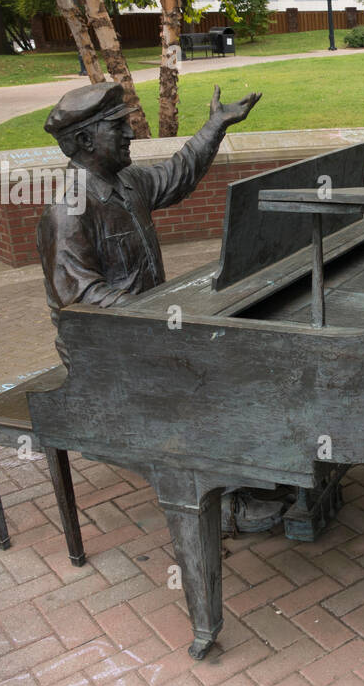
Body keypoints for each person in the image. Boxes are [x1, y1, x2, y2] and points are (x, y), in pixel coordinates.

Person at [37, 80, 287, 533]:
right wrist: (158, 311)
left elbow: (180, 172)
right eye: (120, 127)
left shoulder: (127, 183)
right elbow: (80, 301)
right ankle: (223, 504)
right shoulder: (68, 211)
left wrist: (216, 124)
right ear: (85, 140)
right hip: (105, 352)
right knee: (204, 381)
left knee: (239, 358)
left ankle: (251, 475)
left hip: (148, 330)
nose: (132, 134)